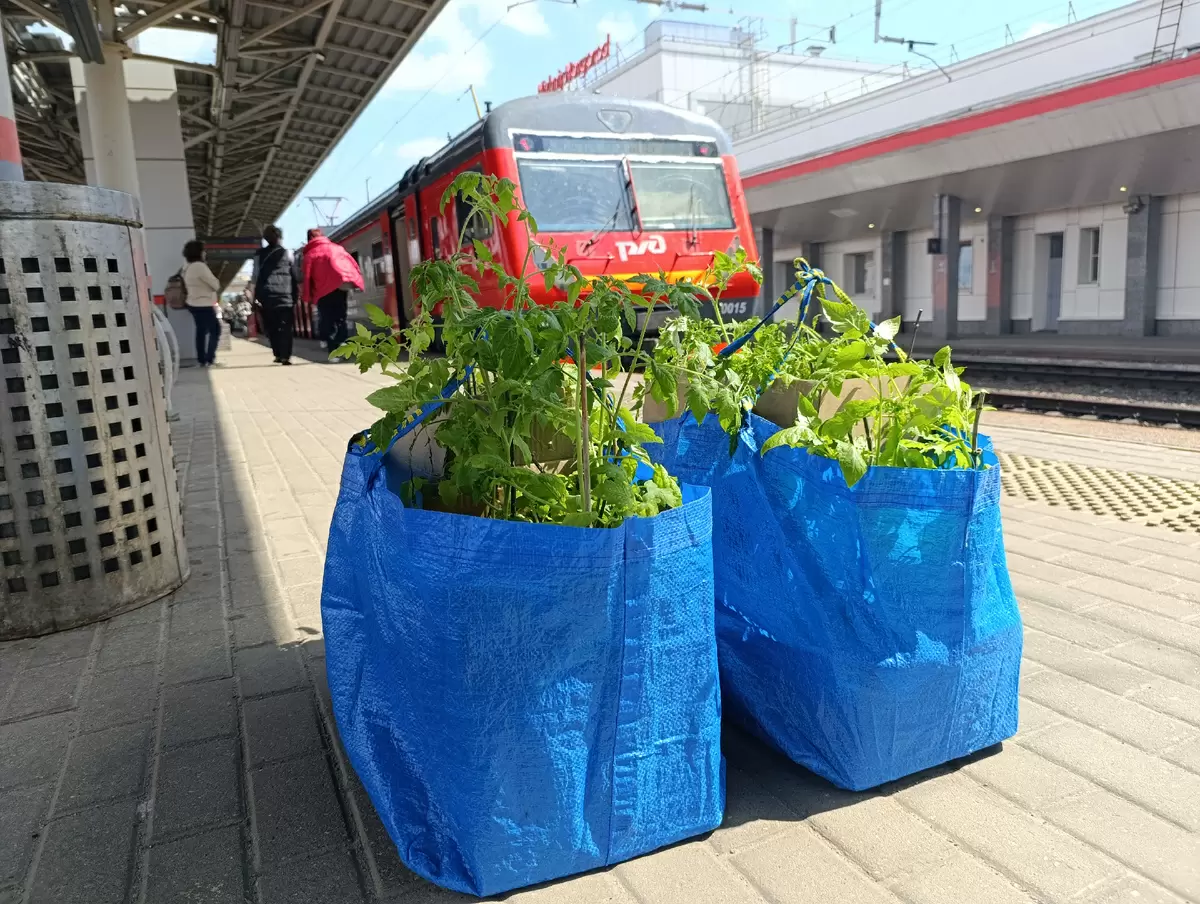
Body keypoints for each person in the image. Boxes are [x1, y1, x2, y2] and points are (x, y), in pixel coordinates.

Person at [302, 227, 364, 353]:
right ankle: (342, 342)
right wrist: (358, 281)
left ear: (309, 239)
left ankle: (332, 348)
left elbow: (307, 277)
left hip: (323, 290)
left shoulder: (310, 254)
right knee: (341, 316)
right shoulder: (338, 248)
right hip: (341, 287)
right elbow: (353, 265)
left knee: (326, 318)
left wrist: (307, 296)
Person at [252, 225, 300, 364]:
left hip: (266, 296)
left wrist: (254, 295)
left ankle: (278, 354)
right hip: (285, 295)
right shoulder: (288, 253)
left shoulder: (259, 255)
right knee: (285, 326)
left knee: (271, 326)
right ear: (280, 237)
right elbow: (295, 274)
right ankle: (286, 356)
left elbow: (255, 276)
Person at [181, 240, 222, 367]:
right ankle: (209, 359)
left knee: (201, 331)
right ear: (199, 252)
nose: (205, 253)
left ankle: (202, 360)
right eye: (203, 251)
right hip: (203, 303)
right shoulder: (199, 266)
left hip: (192, 303)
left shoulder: (186, 266)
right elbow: (215, 285)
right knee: (215, 330)